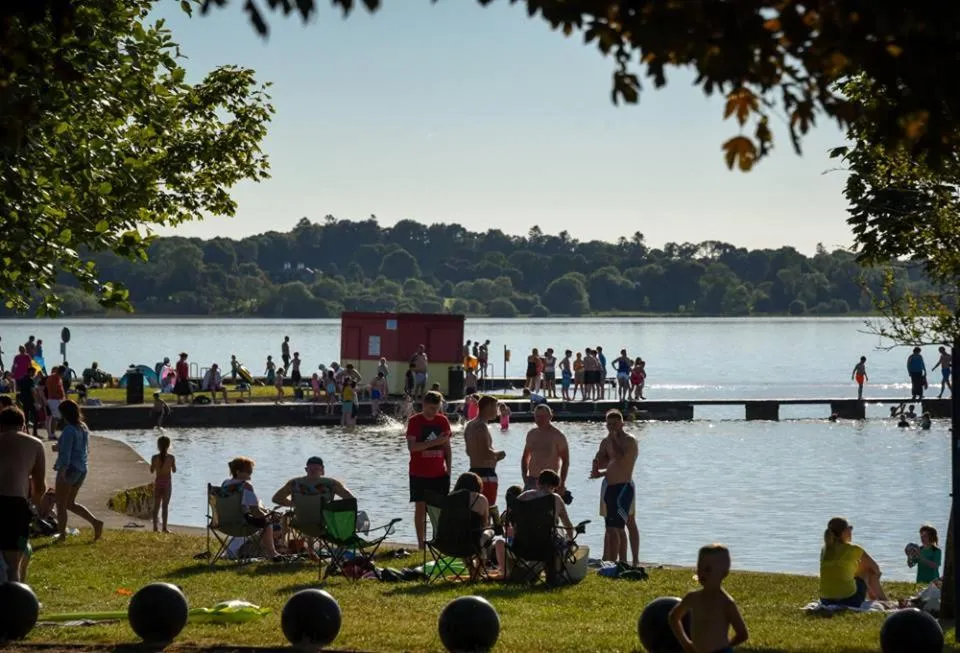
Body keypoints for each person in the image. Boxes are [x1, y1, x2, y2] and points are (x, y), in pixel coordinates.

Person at [669, 544, 749, 653]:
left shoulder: (726, 603)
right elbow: (674, 617)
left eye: (707, 569)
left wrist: (726, 646)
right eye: (699, 568)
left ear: (724, 573)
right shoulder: (692, 598)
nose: (702, 573)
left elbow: (742, 634)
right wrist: (686, 643)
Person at [0, 407, 46, 582]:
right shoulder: (35, 444)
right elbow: (39, 486)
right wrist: (33, 506)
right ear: (23, 424)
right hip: (15, 507)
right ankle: (14, 603)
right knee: (14, 565)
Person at [590, 409, 639, 563]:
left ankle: (630, 560)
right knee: (610, 526)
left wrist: (613, 439)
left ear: (622, 424)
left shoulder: (629, 441)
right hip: (609, 486)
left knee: (625, 524)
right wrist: (597, 468)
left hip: (624, 486)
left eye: (614, 424)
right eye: (608, 424)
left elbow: (621, 459)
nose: (611, 427)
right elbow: (605, 461)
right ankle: (610, 559)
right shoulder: (606, 441)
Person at [406, 391, 452, 549]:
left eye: (437, 408)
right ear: (424, 404)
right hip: (419, 472)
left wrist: (449, 470)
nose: (435, 412)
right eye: (432, 408)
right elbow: (412, 447)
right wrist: (435, 442)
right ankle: (421, 544)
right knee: (420, 507)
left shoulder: (443, 421)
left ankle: (439, 541)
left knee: (439, 509)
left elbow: (447, 447)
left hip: (439, 472)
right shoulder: (414, 421)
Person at [53, 399, 103, 541]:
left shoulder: (69, 429)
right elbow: (80, 448)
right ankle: (96, 522)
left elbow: (66, 453)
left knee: (61, 504)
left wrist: (62, 470)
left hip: (69, 469)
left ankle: (62, 535)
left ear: (65, 414)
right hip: (81, 469)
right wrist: (59, 446)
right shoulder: (83, 427)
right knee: (70, 503)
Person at [221, 457, 281, 560]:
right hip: (241, 523)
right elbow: (255, 511)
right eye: (248, 471)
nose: (250, 474)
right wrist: (269, 516)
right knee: (267, 523)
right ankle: (272, 553)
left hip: (224, 522)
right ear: (238, 472)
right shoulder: (246, 486)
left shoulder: (225, 484)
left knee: (264, 519)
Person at [819, 516, 887, 606]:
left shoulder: (825, 550)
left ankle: (874, 598)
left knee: (854, 570)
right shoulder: (854, 550)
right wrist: (875, 577)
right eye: (850, 528)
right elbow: (875, 568)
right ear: (844, 532)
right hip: (849, 600)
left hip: (825, 600)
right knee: (868, 570)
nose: (851, 531)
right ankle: (883, 600)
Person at [464, 396, 506, 506]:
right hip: (486, 475)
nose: (497, 411)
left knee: (475, 510)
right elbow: (486, 452)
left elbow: (469, 452)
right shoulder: (481, 426)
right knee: (487, 510)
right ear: (488, 407)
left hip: (473, 472)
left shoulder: (469, 425)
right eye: (495, 407)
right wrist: (500, 454)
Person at [520, 404, 570, 492]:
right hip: (532, 480)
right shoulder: (531, 434)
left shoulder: (558, 436)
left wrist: (562, 483)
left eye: (543, 416)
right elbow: (525, 457)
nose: (540, 419)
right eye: (537, 416)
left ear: (550, 416)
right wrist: (525, 477)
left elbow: (565, 461)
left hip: (550, 482)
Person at [272, 456, 355, 507]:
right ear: (322, 471)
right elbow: (351, 499)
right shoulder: (331, 483)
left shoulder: (294, 483)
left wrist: (296, 506)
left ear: (306, 470)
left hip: (300, 520)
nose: (313, 471)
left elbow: (276, 499)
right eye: (312, 469)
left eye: (315, 469)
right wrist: (330, 506)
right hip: (324, 520)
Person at [150, 436, 176, 533]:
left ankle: (155, 527)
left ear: (158, 446)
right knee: (165, 506)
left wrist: (155, 466)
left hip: (158, 482)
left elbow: (152, 471)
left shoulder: (154, 457)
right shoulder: (171, 458)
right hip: (167, 484)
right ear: (169, 445)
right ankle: (164, 528)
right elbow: (174, 470)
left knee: (156, 506)